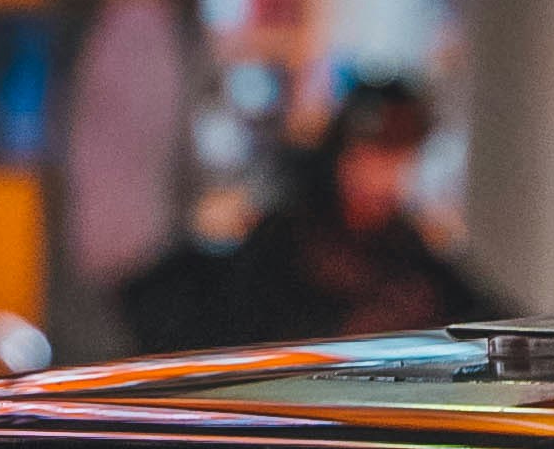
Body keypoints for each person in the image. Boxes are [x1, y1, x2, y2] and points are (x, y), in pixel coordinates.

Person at [117, 74, 504, 351]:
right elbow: (242, 335)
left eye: (401, 157)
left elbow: (484, 316)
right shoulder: (286, 240)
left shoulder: (406, 253)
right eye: (375, 155)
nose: (387, 177)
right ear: (342, 154)